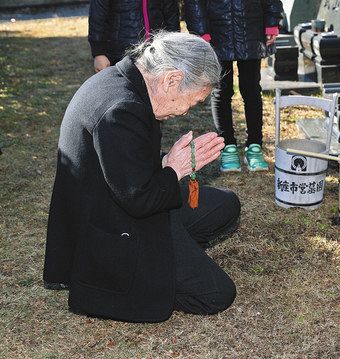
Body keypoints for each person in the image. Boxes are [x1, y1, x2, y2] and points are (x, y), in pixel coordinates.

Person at [43, 32, 241, 323]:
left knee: (225, 204)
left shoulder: (126, 82)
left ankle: (172, 255)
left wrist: (165, 161)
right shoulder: (120, 109)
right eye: (192, 101)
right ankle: (155, 272)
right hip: (115, 230)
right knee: (217, 294)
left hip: (119, 204)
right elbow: (139, 199)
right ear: (171, 80)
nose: (186, 111)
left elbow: (124, 163)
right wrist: (175, 169)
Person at [184, 0, 283, 172]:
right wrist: (201, 31)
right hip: (217, 29)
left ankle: (254, 145)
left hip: (250, 25)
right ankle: (227, 146)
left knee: (251, 89)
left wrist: (272, 22)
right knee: (221, 90)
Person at [88, 0, 182, 72]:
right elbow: (97, 16)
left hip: (157, 51)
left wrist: (173, 47)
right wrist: (99, 53)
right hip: (120, 53)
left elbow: (171, 16)